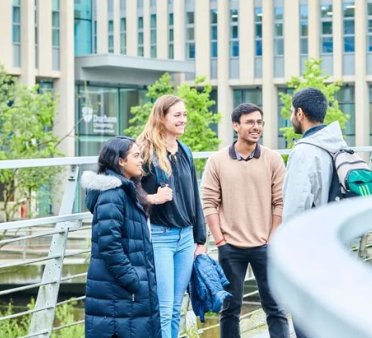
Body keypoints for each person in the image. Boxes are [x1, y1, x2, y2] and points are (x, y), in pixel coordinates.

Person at [201, 103, 289, 338]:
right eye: (250, 122)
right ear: (236, 125)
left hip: (265, 245)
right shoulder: (217, 160)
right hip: (230, 247)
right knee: (230, 309)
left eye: (259, 122)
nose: (256, 127)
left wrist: (271, 239)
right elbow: (208, 202)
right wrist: (220, 240)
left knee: (276, 306)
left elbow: (280, 202)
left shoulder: (273, 159)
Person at [136, 94, 208, 338]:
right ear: (161, 117)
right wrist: (152, 198)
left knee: (176, 307)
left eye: (184, 114)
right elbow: (128, 191)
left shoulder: (185, 150)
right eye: (177, 115)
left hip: (186, 237)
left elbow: (194, 197)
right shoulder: (145, 152)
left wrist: (201, 239)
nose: (183, 119)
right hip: (160, 237)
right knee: (164, 308)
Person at [279, 87, 348, 338]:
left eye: (291, 112)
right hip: (336, 242)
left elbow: (296, 206)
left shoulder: (305, 151)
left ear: (300, 113)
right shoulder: (338, 144)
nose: (291, 117)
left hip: (310, 247)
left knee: (305, 318)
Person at [81, 136, 161, 338]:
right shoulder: (113, 194)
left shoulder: (126, 190)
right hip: (121, 292)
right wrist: (133, 281)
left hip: (124, 293)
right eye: (136, 156)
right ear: (120, 161)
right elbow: (109, 244)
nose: (141, 160)